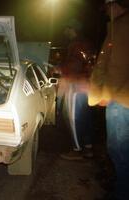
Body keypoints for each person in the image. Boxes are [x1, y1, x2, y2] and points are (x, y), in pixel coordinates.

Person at [88, 0, 129, 199]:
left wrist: (104, 95)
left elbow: (115, 66)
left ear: (114, 4)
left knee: (119, 150)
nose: (105, 12)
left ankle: (123, 192)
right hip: (122, 97)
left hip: (121, 101)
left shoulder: (121, 26)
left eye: (106, 7)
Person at [57, 18, 95, 160]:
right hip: (85, 84)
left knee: (73, 118)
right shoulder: (86, 42)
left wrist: (59, 68)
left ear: (72, 29)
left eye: (65, 28)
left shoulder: (77, 44)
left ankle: (77, 150)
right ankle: (88, 147)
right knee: (85, 117)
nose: (64, 31)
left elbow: (75, 65)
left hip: (76, 83)